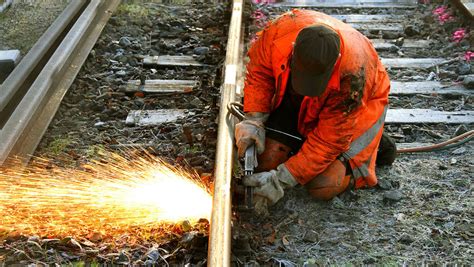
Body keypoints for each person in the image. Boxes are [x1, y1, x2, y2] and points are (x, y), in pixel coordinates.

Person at [235, 9, 396, 214]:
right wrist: (254, 118)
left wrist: (281, 180)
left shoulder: (355, 76)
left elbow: (328, 142)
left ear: (336, 60)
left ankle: (378, 147)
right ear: (293, 50)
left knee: (324, 185)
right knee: (265, 161)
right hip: (308, 103)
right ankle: (303, 144)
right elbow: (260, 74)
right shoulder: (278, 33)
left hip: (354, 112)